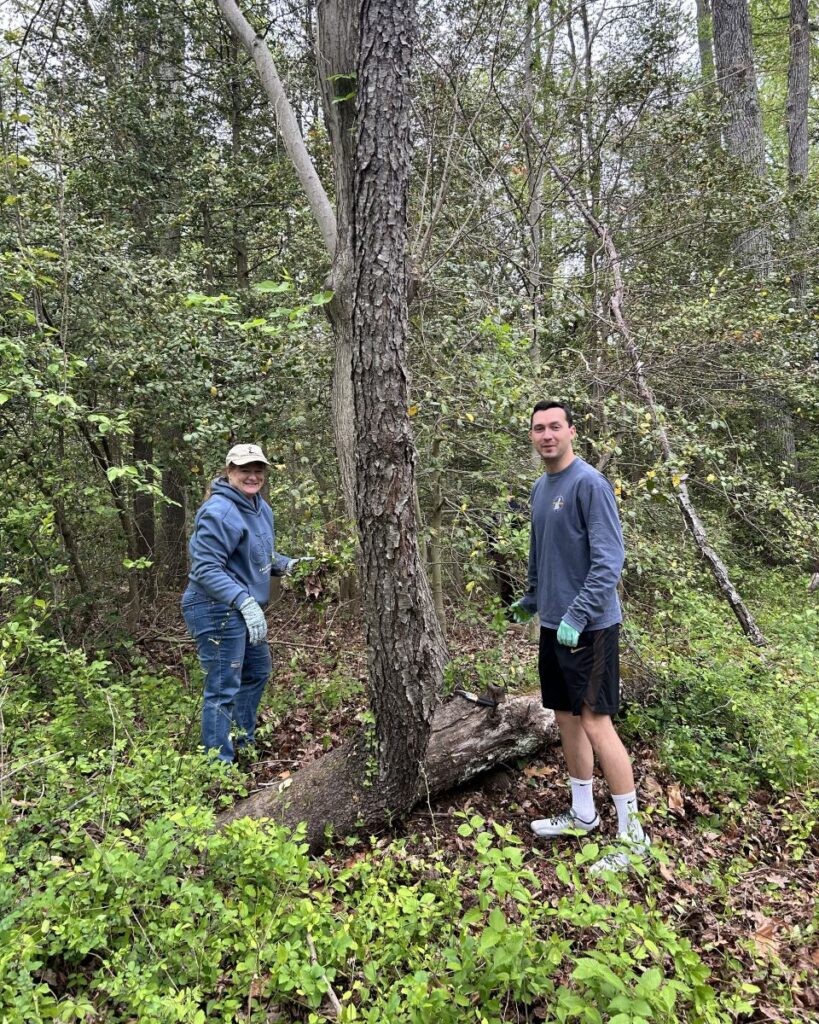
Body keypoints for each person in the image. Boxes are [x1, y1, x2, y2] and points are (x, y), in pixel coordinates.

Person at [510, 401, 649, 874]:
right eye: (538, 429)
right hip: (553, 625)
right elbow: (540, 549)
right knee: (565, 719)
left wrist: (578, 612)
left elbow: (610, 560)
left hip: (590, 628)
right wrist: (532, 596)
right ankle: (583, 814)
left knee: (595, 722)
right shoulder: (539, 487)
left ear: (571, 431)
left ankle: (633, 836)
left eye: (555, 426)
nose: (547, 435)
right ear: (531, 436)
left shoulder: (589, 484)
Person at [182, 443, 299, 763]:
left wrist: (289, 565)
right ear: (229, 471)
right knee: (223, 687)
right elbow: (205, 568)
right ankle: (217, 766)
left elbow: (259, 555)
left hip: (239, 605)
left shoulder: (261, 508)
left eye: (258, 469)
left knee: (258, 670)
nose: (252, 476)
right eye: (244, 469)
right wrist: (245, 602)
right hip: (212, 605)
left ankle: (242, 740)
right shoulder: (219, 511)